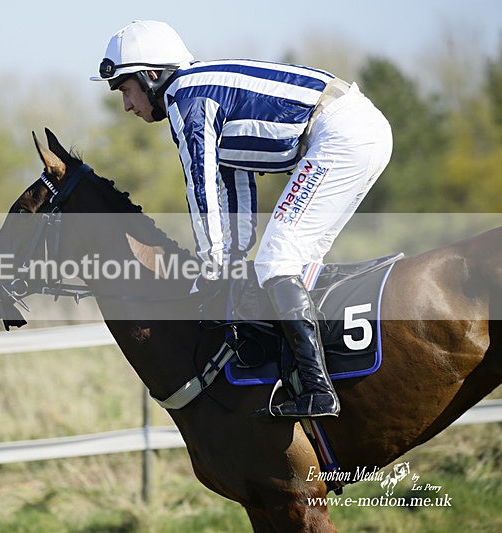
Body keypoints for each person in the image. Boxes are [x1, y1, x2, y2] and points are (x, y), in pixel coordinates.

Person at [90, 20, 393, 418]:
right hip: (354, 130)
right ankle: (313, 375)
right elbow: (234, 188)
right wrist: (230, 255)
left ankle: (318, 389)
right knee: (292, 263)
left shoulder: (186, 96)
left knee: (277, 261)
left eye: (126, 90)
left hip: (340, 134)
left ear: (151, 76)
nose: (127, 105)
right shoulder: (204, 91)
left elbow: (201, 188)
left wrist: (213, 264)